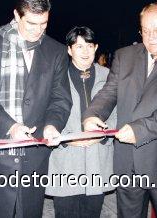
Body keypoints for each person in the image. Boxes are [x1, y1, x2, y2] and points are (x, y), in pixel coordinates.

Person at [83, 2, 157, 218]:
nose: (151, 37)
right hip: (128, 161)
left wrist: (139, 130)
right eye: (145, 31)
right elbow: (109, 92)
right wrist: (93, 114)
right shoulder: (124, 55)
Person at [0, 0, 72, 218]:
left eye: (44, 24)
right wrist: (10, 126)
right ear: (17, 15)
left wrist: (52, 125)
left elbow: (60, 99)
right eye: (32, 24)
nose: (38, 31)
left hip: (34, 157)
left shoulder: (55, 51)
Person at [46, 26, 116, 218]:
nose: (85, 51)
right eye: (78, 46)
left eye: (89, 46)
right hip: (65, 158)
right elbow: (49, 111)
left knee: (92, 212)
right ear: (69, 50)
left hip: (97, 158)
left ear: (96, 48)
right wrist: (66, 139)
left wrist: (102, 137)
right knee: (65, 212)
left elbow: (117, 111)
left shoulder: (109, 76)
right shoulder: (56, 76)